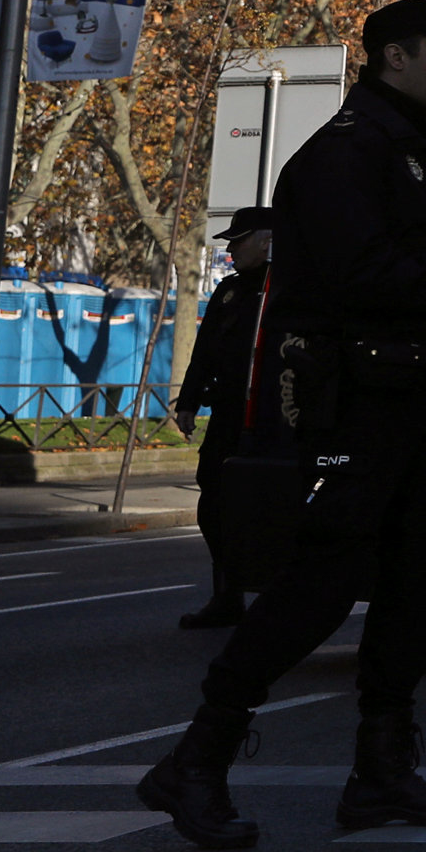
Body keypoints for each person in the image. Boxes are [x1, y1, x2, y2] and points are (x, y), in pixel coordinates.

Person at [137, 0, 426, 851]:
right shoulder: (346, 155)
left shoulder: (409, 151)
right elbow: (365, 275)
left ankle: (381, 771)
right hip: (358, 398)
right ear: (394, 57)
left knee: (420, 581)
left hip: (416, 394)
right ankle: (196, 759)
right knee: (323, 580)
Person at [174, 213, 280, 630]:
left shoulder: (292, 288)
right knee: (213, 501)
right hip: (229, 414)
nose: (230, 250)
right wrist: (188, 400)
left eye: (239, 242)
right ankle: (227, 594)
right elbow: (205, 349)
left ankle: (275, 599)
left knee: (266, 506)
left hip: (274, 418)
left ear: (268, 241)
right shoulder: (231, 291)